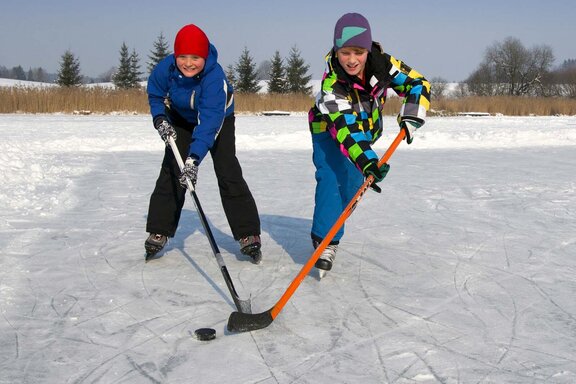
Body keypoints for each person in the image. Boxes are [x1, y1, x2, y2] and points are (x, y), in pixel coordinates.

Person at [308, 13, 431, 273]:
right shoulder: (332, 85)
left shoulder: (384, 64)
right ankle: (326, 240)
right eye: (345, 53)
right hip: (330, 129)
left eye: (358, 52)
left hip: (364, 130)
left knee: (353, 185)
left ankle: (332, 226)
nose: (352, 60)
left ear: (367, 49)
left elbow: (418, 84)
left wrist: (411, 115)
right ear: (336, 51)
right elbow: (346, 130)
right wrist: (368, 161)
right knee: (332, 177)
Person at [144, 23, 262, 263]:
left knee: (227, 169)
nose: (188, 63)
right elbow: (155, 93)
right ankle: (160, 229)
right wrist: (159, 118)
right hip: (180, 117)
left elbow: (208, 124)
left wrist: (194, 159)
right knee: (172, 168)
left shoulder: (213, 77)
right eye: (183, 57)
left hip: (218, 118)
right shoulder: (165, 68)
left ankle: (248, 233)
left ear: (205, 56)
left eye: (195, 57)